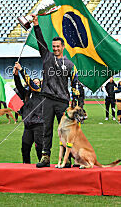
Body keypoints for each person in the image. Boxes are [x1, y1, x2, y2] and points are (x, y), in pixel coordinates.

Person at [32, 15, 78, 168]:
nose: (55, 48)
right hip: (48, 99)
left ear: (63, 47)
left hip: (63, 101)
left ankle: (67, 159)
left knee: (65, 131)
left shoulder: (70, 64)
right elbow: (40, 42)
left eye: (58, 46)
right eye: (54, 46)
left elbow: (75, 84)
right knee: (46, 128)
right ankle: (45, 158)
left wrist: (76, 104)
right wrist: (36, 25)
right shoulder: (46, 57)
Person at [13, 62, 43, 164]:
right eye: (34, 82)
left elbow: (31, 84)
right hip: (28, 125)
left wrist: (21, 70)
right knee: (25, 148)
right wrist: (16, 75)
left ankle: (43, 166)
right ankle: (26, 167)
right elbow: (18, 85)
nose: (35, 83)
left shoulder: (41, 93)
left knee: (39, 149)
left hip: (39, 124)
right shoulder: (26, 94)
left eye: (37, 82)